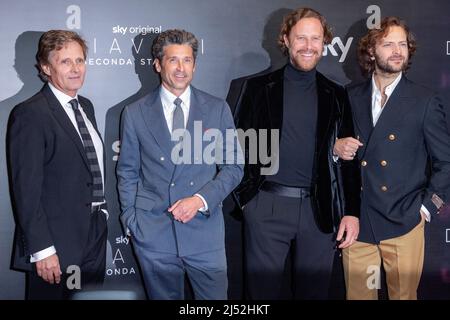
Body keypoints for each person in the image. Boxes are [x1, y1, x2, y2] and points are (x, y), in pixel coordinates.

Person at [233, 7, 361, 299]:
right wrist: (248, 201)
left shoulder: (337, 94)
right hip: (267, 206)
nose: (308, 46)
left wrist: (351, 212)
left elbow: (349, 161)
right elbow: (237, 147)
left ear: (324, 43)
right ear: (286, 40)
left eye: (315, 39)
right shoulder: (256, 88)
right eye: (301, 38)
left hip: (319, 212)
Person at [116, 29, 243, 300]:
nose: (181, 68)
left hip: (205, 234)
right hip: (153, 234)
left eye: (187, 60)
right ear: (158, 64)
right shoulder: (135, 113)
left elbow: (233, 167)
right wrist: (132, 219)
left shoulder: (217, 109)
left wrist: (200, 199)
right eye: (173, 60)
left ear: (195, 66)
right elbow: (127, 171)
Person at [334, 16, 450, 300]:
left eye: (402, 44)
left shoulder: (424, 100)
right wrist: (335, 148)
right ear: (372, 51)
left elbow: (446, 163)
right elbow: (336, 151)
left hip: (403, 221)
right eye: (388, 44)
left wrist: (425, 209)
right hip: (358, 222)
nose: (398, 51)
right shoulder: (350, 96)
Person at [7, 30, 108, 300]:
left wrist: (102, 216)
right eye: (65, 62)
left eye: (80, 60)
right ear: (45, 67)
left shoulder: (85, 106)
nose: (76, 69)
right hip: (56, 242)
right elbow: (26, 190)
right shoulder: (30, 114)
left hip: (93, 234)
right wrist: (43, 249)